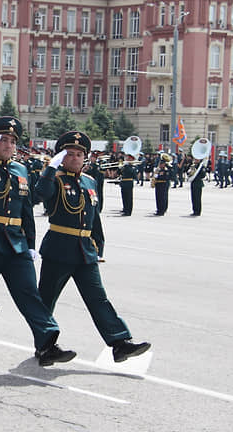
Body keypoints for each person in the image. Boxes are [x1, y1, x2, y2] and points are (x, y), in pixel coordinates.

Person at [0, 116, 75, 367]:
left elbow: (26, 209)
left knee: (29, 293)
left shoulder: (20, 169)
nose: (8, 145)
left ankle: (46, 344)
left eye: (12, 141)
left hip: (16, 243)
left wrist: (30, 244)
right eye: (2, 140)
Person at [35, 130, 151, 363]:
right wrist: (50, 169)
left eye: (80, 154)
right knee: (46, 300)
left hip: (85, 251)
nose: (76, 158)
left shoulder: (89, 181)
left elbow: (94, 218)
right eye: (70, 154)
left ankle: (120, 343)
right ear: (62, 157)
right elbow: (41, 195)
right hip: (59, 248)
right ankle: (45, 346)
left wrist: (99, 247)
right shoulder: (54, 179)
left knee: (98, 298)